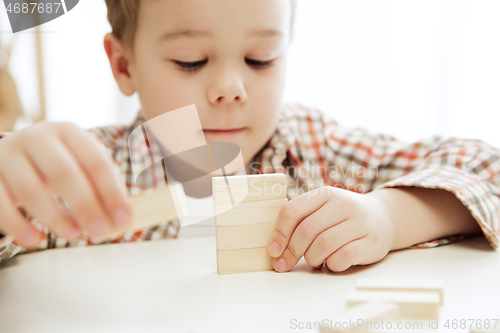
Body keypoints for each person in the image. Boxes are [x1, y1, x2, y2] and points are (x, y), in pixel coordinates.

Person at [0, 0, 498, 272]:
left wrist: (390, 216)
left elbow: (486, 167)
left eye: (260, 59)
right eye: (191, 61)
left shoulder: (317, 151)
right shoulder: (89, 174)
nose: (230, 89)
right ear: (124, 64)